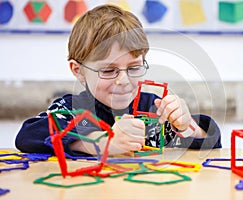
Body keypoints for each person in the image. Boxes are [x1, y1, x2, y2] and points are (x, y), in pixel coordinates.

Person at [15, 4, 221, 157]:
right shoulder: (72, 110)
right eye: (108, 70)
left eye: (133, 68)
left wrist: (186, 126)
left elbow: (209, 140)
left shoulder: (152, 109)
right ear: (78, 71)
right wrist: (103, 143)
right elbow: (29, 135)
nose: (123, 80)